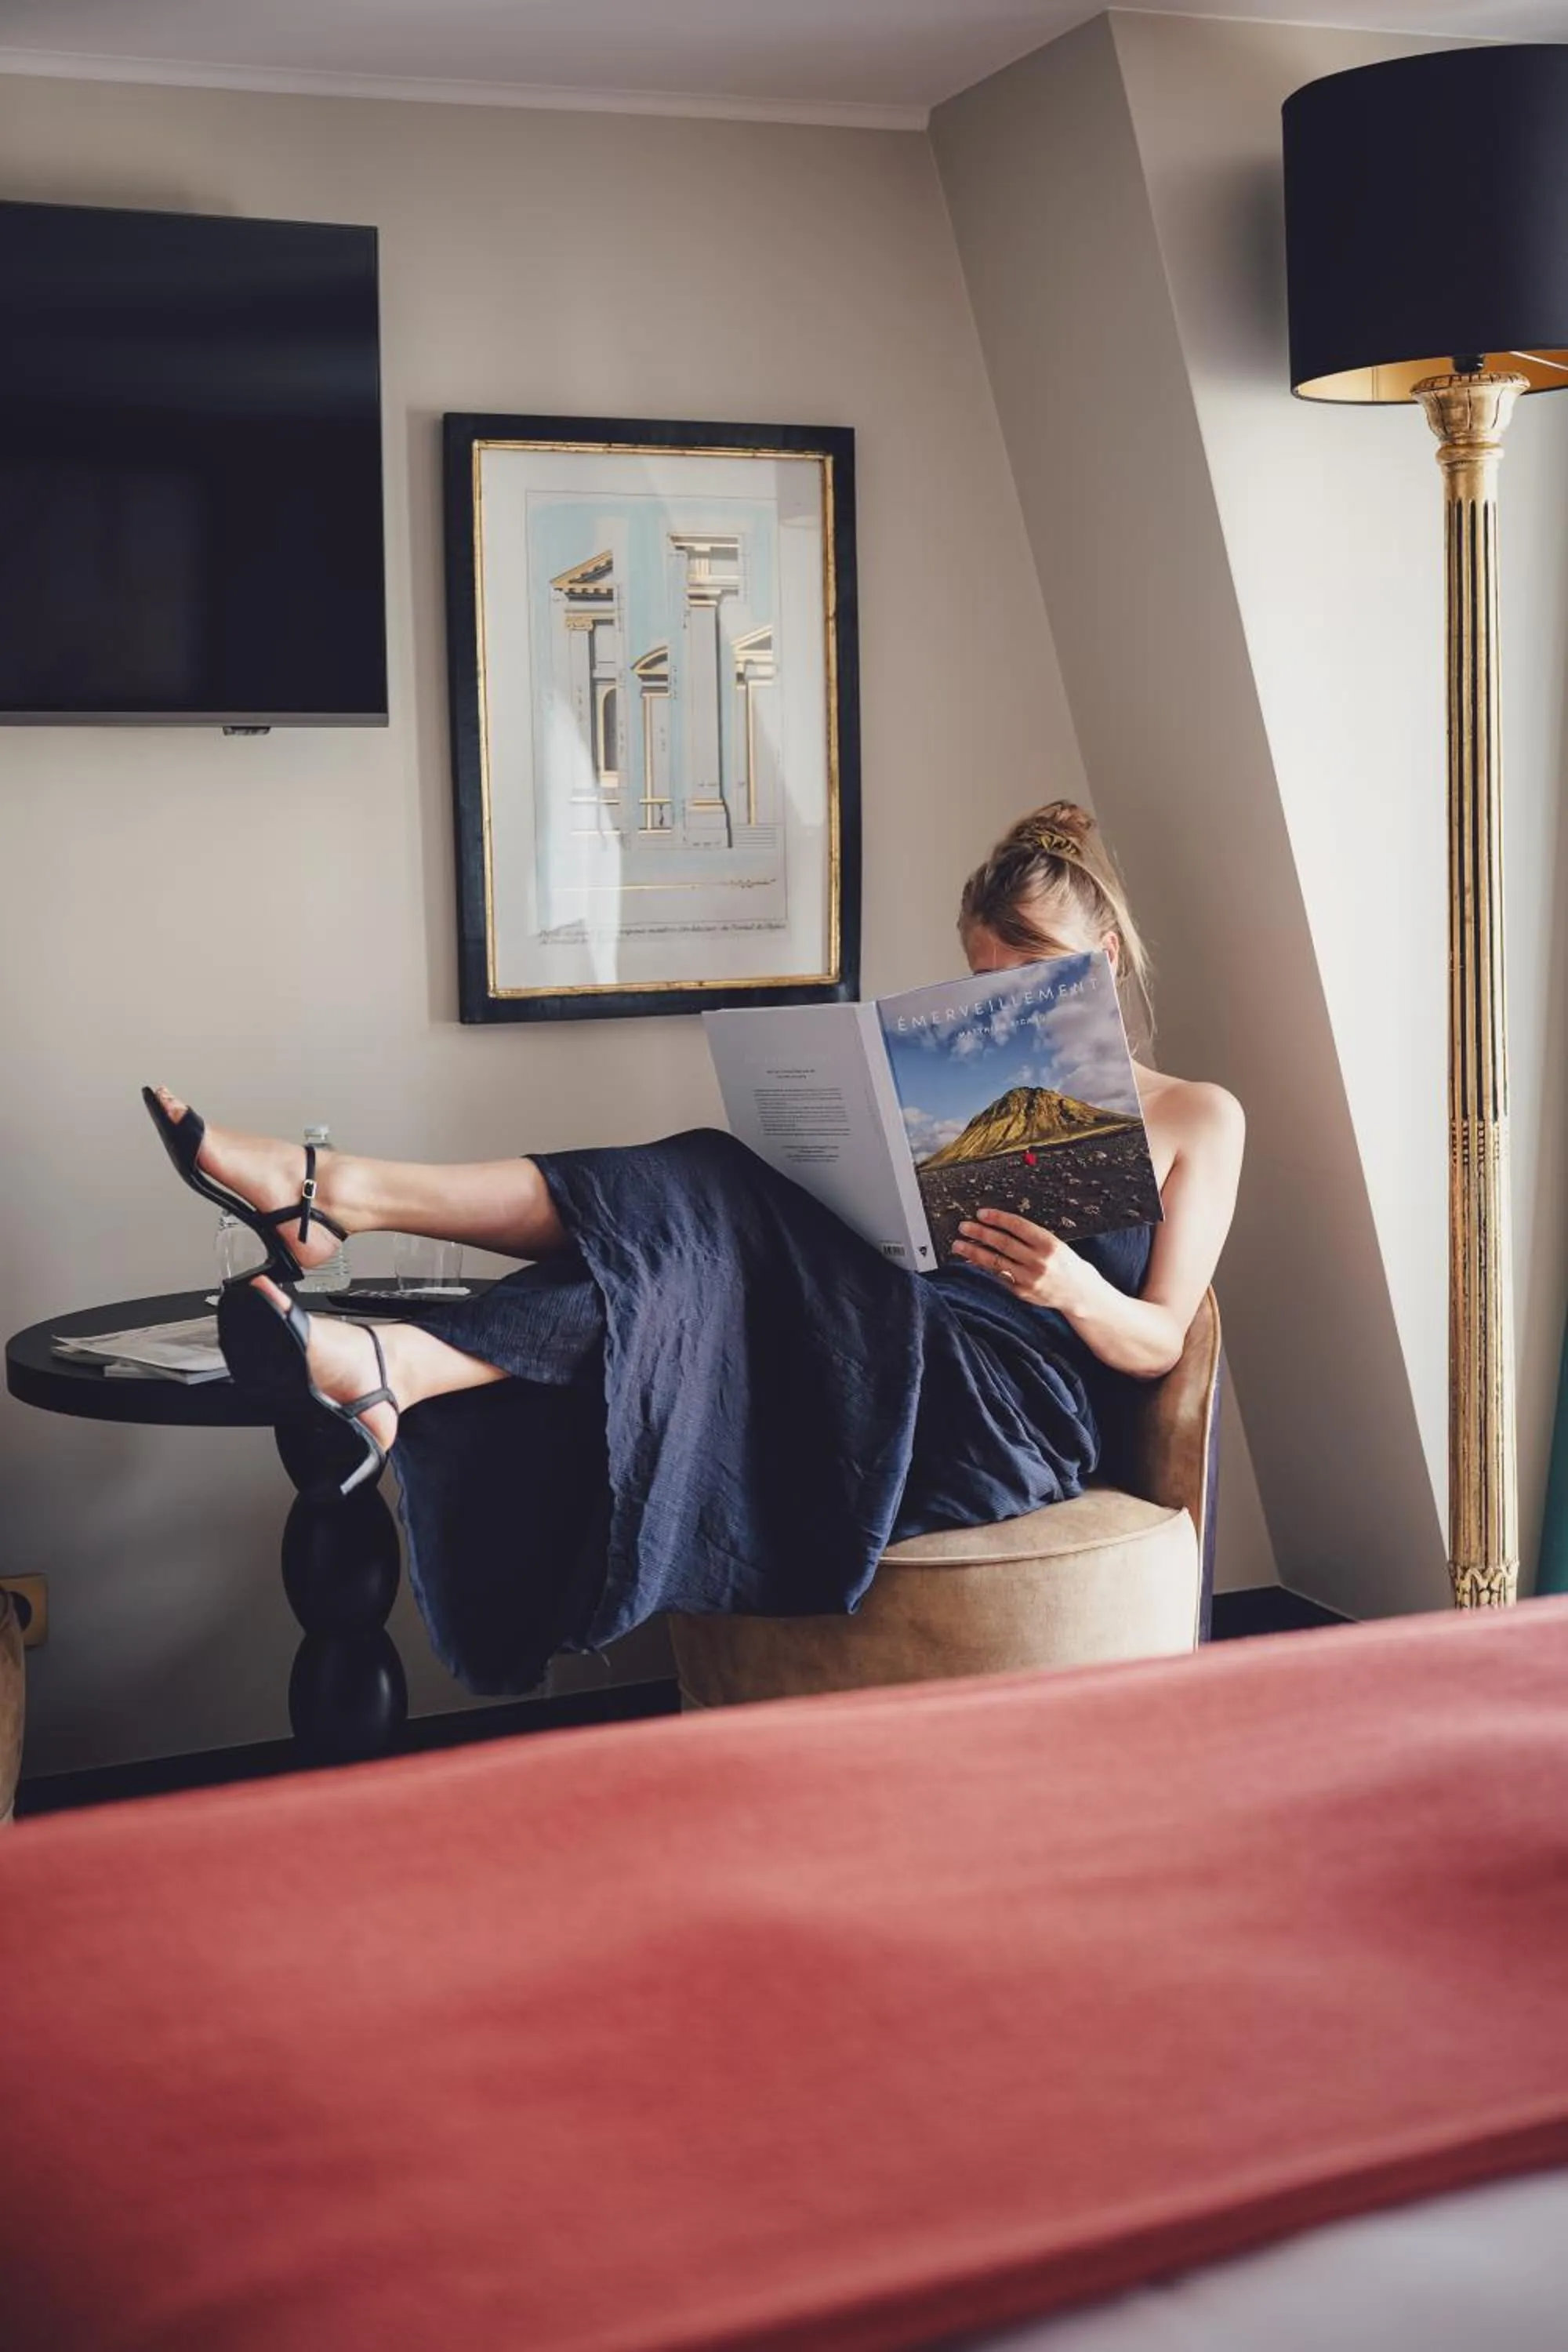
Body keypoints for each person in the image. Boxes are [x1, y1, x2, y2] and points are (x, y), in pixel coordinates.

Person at [144, 802, 1243, 1692]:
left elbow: (1159, 1339)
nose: (1000, 1002)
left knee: (715, 1198)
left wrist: (1070, 1290)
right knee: (700, 1232)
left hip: (1011, 1409)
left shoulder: (1200, 1116)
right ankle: (393, 1356)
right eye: (979, 979)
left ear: (1102, 959)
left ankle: (340, 1202)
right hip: (897, 1332)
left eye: (1029, 975)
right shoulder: (960, 1089)